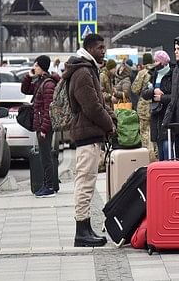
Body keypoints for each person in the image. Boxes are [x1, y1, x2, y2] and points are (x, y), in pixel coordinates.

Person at [63, 33, 116, 247]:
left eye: (104, 47)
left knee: (87, 182)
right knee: (85, 183)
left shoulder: (87, 68)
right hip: (87, 135)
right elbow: (92, 106)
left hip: (89, 133)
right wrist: (109, 124)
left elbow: (97, 103)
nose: (104, 51)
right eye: (100, 47)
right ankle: (81, 232)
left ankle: (86, 229)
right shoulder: (84, 72)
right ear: (90, 48)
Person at [21, 55, 60, 198]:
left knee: (46, 157)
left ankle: (49, 186)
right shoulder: (40, 82)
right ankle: (47, 184)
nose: (34, 68)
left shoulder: (48, 84)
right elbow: (25, 90)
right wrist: (28, 76)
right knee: (45, 156)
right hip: (41, 125)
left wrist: (44, 129)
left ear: (42, 67)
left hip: (44, 127)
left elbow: (48, 109)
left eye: (36, 66)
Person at [141, 50, 173, 161]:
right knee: (160, 150)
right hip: (156, 116)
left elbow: (176, 96)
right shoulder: (153, 74)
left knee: (167, 147)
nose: (154, 63)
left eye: (156, 61)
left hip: (168, 116)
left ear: (163, 62)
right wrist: (154, 91)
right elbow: (144, 93)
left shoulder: (172, 74)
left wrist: (162, 98)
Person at [132, 53, 157, 161]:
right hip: (156, 105)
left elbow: (135, 89)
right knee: (155, 130)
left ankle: (148, 156)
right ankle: (156, 155)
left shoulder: (142, 73)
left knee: (145, 131)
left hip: (144, 106)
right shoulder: (157, 70)